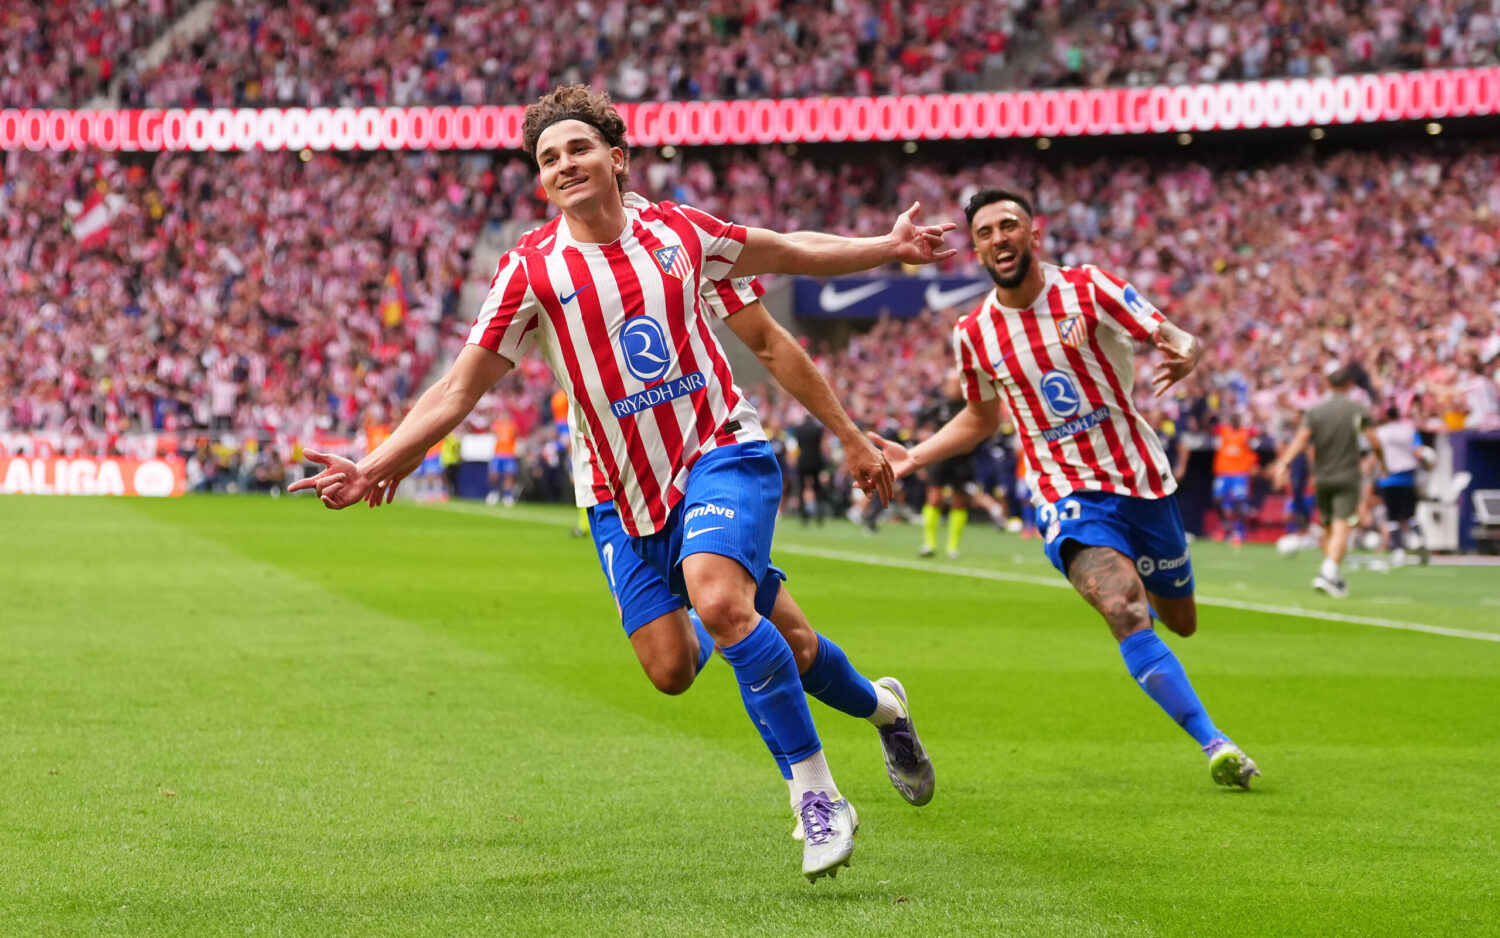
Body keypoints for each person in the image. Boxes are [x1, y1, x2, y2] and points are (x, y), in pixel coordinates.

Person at [290, 84, 951, 881]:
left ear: (617, 157)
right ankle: (885, 708)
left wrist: (888, 247)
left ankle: (815, 796)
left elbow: (789, 254)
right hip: (618, 493)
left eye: (577, 148)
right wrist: (375, 463)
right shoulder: (530, 272)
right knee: (689, 664)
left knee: (718, 602)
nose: (564, 164)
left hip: (719, 451)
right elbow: (457, 389)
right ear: (540, 180)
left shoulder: (679, 233)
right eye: (547, 158)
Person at [869, 188, 1260, 789]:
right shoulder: (974, 332)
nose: (998, 238)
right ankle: (1216, 742)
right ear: (975, 247)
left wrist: (1186, 350)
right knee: (1125, 610)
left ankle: (1147, 590)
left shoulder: (1090, 288)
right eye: (985, 232)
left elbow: (1172, 335)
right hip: (1064, 492)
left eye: (1009, 226)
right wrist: (915, 457)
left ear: (1035, 234)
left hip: (1142, 481)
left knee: (1179, 621)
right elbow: (981, 416)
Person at [1269, 366, 1386, 598]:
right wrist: (1383, 463)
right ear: (1350, 384)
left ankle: (1333, 575)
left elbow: (1301, 440)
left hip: (1322, 477)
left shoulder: (1316, 410)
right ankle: (1328, 571)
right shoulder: (1357, 408)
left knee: (1329, 527)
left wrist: (1283, 463)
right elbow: (1374, 440)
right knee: (1342, 525)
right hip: (1347, 475)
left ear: (1328, 384)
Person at [915, 374, 976, 559]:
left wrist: (972, 442)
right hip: (940, 458)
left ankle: (952, 547)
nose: (955, 387)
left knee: (959, 501)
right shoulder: (938, 405)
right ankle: (929, 544)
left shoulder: (970, 406)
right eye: (952, 383)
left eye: (958, 383)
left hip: (961, 460)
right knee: (934, 498)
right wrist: (923, 435)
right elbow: (919, 423)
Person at [1373, 406, 1425, 564]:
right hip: (1407, 478)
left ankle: (1398, 549)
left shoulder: (1380, 432)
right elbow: (1419, 451)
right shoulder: (1409, 430)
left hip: (1388, 478)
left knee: (1392, 517)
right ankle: (1419, 540)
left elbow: (1376, 451)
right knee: (1410, 514)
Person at [1211, 410, 1258, 546]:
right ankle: (1225, 526)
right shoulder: (1224, 431)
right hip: (1224, 472)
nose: (1234, 421)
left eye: (1236, 418)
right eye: (1232, 418)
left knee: (1239, 502)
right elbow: (1210, 426)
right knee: (1217, 499)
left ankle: (1239, 532)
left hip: (1239, 473)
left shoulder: (1246, 432)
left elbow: (1256, 432)